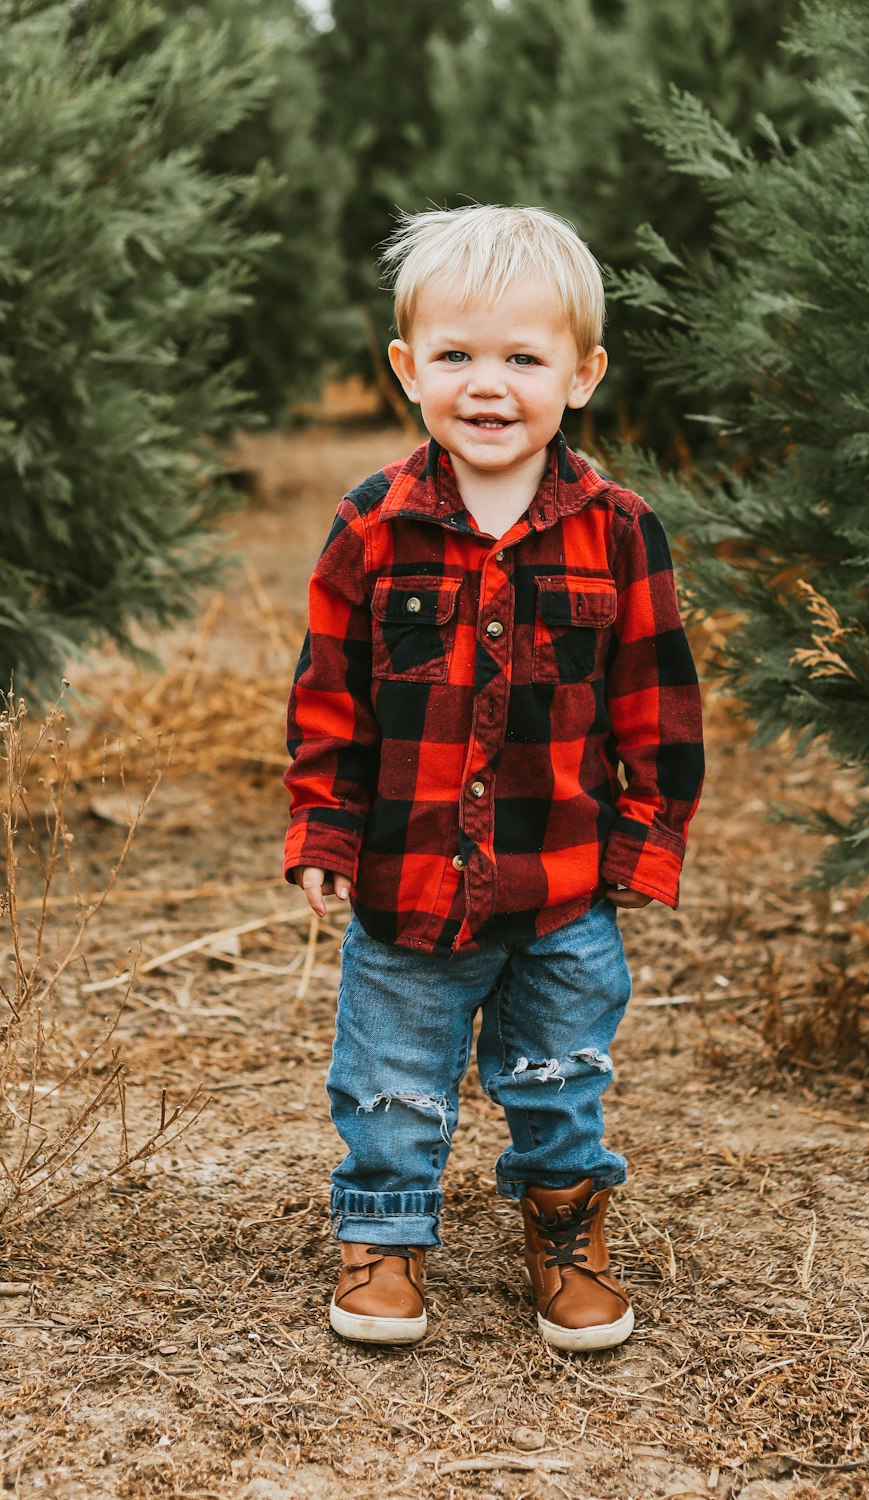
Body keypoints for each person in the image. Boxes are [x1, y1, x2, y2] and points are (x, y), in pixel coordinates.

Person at [283, 204, 703, 1351]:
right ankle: (383, 1235)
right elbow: (331, 700)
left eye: (523, 357)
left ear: (581, 374)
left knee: (557, 1070)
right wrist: (324, 834)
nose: (487, 384)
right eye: (457, 355)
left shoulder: (621, 532)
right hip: (407, 882)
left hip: (561, 883)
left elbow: (657, 705)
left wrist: (641, 845)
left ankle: (565, 1230)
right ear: (406, 368)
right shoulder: (370, 527)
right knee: (388, 1074)